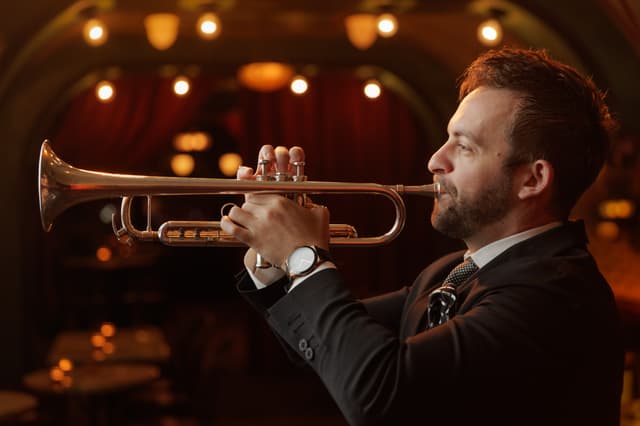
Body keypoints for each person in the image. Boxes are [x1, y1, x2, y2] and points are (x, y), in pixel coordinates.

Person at [220, 47, 624, 426]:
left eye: (464, 147)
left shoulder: (555, 295)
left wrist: (302, 256)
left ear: (533, 179)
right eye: (447, 138)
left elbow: (377, 392)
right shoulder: (452, 273)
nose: (435, 160)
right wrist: (272, 263)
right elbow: (325, 345)